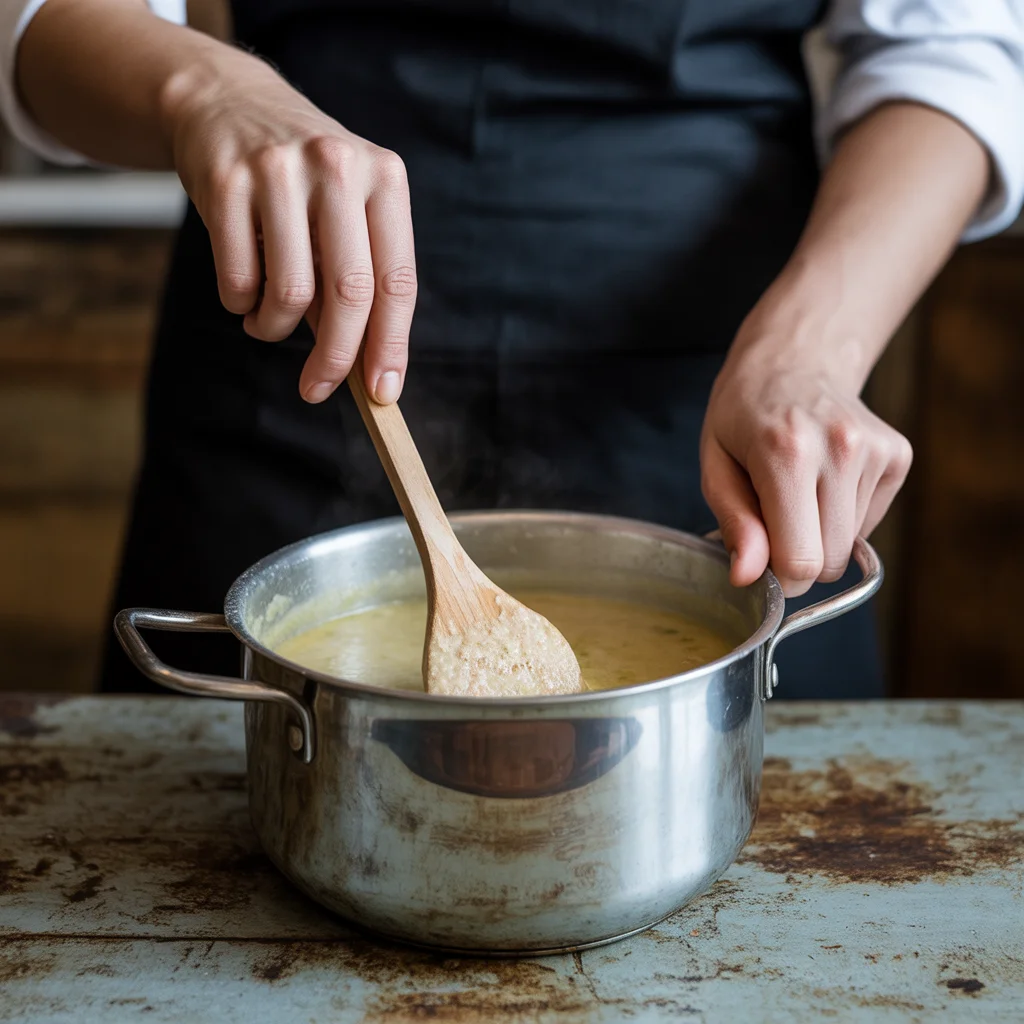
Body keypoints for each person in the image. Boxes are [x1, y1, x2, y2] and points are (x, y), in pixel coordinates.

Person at [4, 0, 1022, 698]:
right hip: (292, 330)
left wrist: (809, 350)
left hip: (721, 391)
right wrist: (203, 91)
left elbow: (948, 49)